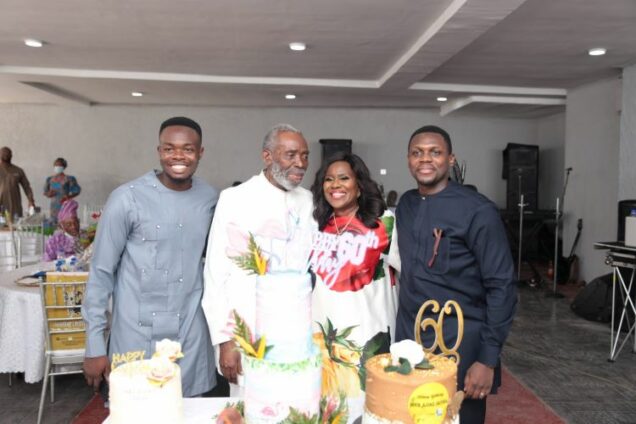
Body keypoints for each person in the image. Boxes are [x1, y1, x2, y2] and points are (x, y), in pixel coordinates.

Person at [82, 117, 219, 397]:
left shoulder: (210, 198)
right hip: (135, 335)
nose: (178, 156)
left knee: (189, 411)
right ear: (159, 151)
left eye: (188, 149)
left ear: (200, 153)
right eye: (169, 148)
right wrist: (94, 345)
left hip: (190, 334)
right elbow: (101, 272)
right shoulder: (126, 198)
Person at [393, 125, 516, 424]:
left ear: (450, 159)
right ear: (408, 159)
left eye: (435, 152)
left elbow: (502, 286)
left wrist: (487, 359)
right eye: (417, 153)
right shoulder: (406, 205)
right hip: (410, 343)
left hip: (461, 345)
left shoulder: (478, 211)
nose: (425, 159)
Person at [202, 123, 314, 392]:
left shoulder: (309, 200)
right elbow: (216, 274)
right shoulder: (235, 199)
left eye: (305, 155)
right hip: (248, 333)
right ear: (267, 157)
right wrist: (225, 340)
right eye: (291, 155)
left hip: (298, 335)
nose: (300, 163)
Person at [310, 152, 397, 397]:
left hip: (369, 339)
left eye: (343, 178)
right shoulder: (315, 224)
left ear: (359, 186)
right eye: (328, 179)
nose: (335, 185)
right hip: (324, 341)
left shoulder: (383, 223)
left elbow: (411, 273)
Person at [0, 147, 36, 220]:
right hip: (1, 204)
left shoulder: (18, 170)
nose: (6, 155)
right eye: (3, 153)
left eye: (8, 153)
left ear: (11, 155)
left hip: (14, 204)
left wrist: (31, 200)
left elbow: (27, 187)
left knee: (15, 226)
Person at [44, 157, 81, 224]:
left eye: (59, 165)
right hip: (54, 207)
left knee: (65, 222)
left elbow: (76, 190)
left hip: (65, 205)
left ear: (64, 166)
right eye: (56, 165)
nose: (57, 167)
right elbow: (45, 192)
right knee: (54, 223)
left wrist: (69, 196)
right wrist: (49, 194)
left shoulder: (69, 179)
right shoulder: (50, 179)